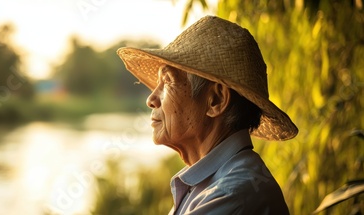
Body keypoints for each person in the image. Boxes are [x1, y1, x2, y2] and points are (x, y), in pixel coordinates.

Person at [117, 16, 298, 214]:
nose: (151, 99)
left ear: (216, 100)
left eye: (167, 82)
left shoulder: (233, 194)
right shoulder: (211, 183)